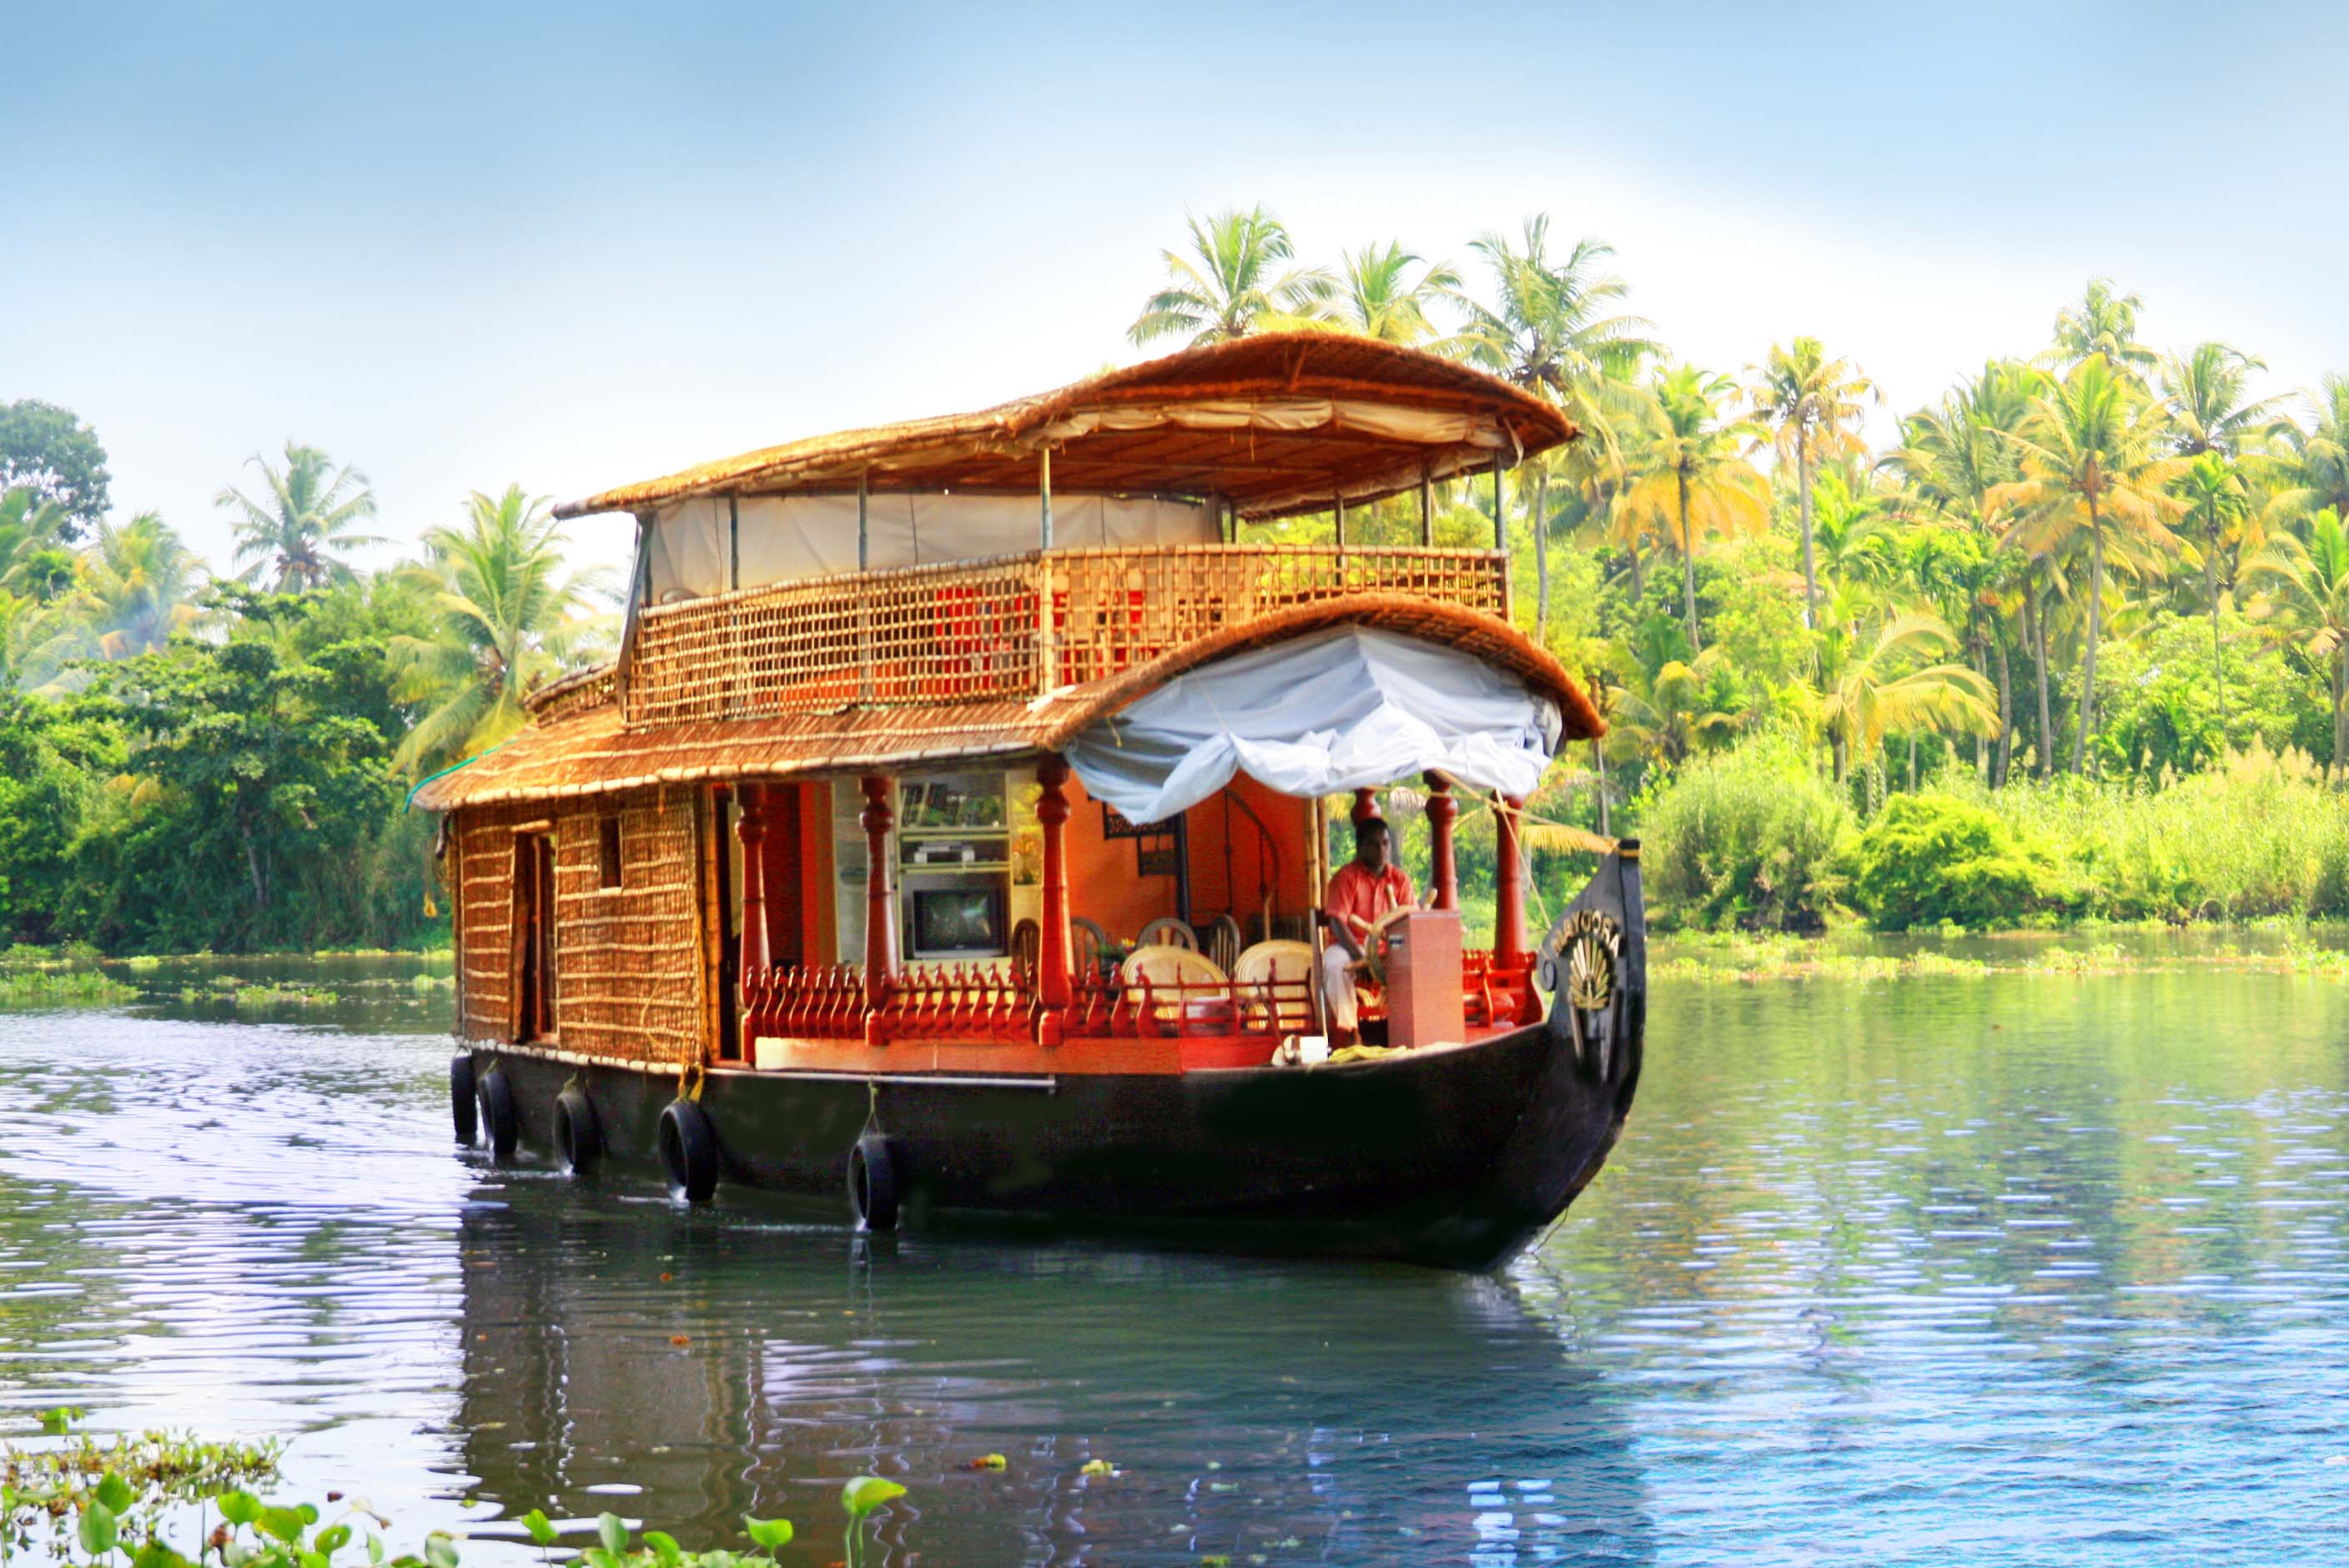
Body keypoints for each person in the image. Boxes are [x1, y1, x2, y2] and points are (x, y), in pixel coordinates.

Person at [1320, 815, 1413, 1046]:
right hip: (1351, 947)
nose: (1381, 849)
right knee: (1333, 964)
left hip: (1390, 948)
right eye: (1373, 844)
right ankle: (1351, 1033)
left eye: (1385, 843)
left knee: (1417, 964)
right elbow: (1337, 923)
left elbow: (1412, 920)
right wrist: (1361, 956)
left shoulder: (1400, 880)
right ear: (1359, 847)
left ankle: (1408, 1029)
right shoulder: (1345, 877)